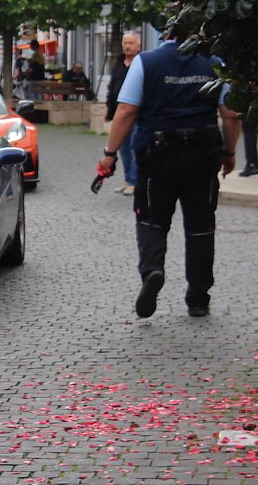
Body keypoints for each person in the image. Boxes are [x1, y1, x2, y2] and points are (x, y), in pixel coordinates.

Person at [97, 28, 241, 319]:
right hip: (202, 155)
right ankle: (198, 298)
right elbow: (231, 113)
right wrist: (228, 152)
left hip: (157, 155)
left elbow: (126, 111)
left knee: (151, 220)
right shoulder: (213, 62)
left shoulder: (145, 62)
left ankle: (153, 271)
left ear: (164, 33)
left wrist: (109, 155)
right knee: (200, 225)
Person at [106, 31, 142, 195]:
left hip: (136, 114)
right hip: (119, 113)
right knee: (124, 148)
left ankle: (135, 181)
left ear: (138, 46)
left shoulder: (141, 63)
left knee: (135, 147)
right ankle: (128, 179)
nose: (127, 46)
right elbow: (112, 87)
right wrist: (109, 109)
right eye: (125, 43)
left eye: (131, 43)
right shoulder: (118, 63)